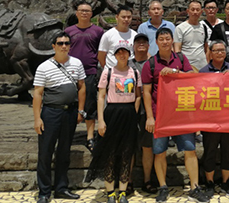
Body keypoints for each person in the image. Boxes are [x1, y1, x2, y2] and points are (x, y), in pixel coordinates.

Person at [142, 28, 209, 202]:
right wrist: (150, 117)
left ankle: (195, 187)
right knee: (160, 152)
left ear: (172, 40)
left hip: (182, 114)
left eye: (167, 38)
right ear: (156, 42)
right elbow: (146, 92)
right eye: (161, 39)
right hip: (160, 115)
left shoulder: (181, 58)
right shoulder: (150, 64)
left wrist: (175, 72)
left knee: (190, 149)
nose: (165, 42)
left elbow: (192, 76)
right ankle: (163, 187)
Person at [33, 32, 86, 203]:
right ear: (53, 46)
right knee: (46, 152)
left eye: (66, 43)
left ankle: (61, 188)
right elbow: (38, 94)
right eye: (60, 43)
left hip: (70, 113)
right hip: (51, 113)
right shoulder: (44, 67)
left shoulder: (77, 63)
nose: (64, 46)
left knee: (64, 151)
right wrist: (37, 118)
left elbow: (82, 87)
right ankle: (44, 192)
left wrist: (80, 111)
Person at [86, 44, 141, 203]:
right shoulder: (108, 72)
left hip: (128, 114)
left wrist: (134, 112)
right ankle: (110, 192)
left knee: (126, 154)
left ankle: (122, 192)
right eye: (119, 53)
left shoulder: (134, 72)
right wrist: (101, 120)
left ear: (129, 55)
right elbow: (101, 97)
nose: (122, 56)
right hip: (112, 113)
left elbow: (138, 95)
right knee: (109, 154)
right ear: (115, 55)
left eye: (125, 53)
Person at [199, 40, 229, 197]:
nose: (220, 53)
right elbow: (200, 95)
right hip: (211, 119)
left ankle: (225, 182)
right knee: (210, 150)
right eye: (216, 50)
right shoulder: (203, 71)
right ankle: (209, 183)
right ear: (210, 52)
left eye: (223, 50)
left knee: (227, 150)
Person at [65, 0, 104, 153]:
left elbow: (102, 51)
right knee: (69, 104)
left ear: (91, 14)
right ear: (77, 13)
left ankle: (90, 137)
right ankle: (68, 134)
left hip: (89, 72)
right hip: (70, 73)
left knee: (90, 105)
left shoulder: (98, 31)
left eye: (87, 11)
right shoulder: (68, 31)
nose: (84, 13)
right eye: (81, 10)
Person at [128, 34, 157, 194]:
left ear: (148, 45)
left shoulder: (153, 63)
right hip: (129, 111)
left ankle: (147, 180)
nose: (141, 44)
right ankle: (127, 181)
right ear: (133, 46)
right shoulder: (126, 64)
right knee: (129, 147)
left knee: (147, 147)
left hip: (148, 112)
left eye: (144, 42)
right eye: (138, 42)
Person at [173, 0, 208, 71]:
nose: (195, 12)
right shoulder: (180, 28)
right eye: (192, 9)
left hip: (203, 66)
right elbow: (177, 50)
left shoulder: (204, 27)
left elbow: (206, 48)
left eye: (197, 10)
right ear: (188, 11)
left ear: (201, 12)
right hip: (187, 67)